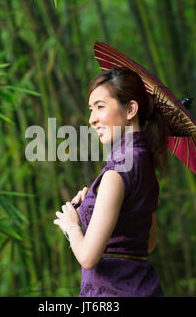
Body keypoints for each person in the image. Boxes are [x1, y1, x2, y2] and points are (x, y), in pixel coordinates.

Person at [53, 66, 170, 296]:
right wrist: (96, 202)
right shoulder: (145, 164)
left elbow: (88, 257)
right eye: (90, 109)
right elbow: (147, 243)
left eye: (100, 107)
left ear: (131, 109)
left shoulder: (116, 173)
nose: (92, 119)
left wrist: (71, 225)